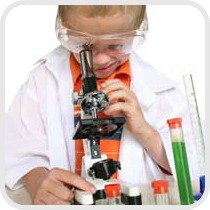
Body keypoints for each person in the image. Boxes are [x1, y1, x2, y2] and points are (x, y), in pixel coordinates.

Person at [5, 5, 199, 205]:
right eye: (84, 46)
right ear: (64, 28)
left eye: (115, 46)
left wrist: (144, 131)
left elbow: (194, 170)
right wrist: (37, 181)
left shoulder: (165, 94)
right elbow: (16, 151)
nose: (100, 59)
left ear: (136, 31)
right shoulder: (42, 82)